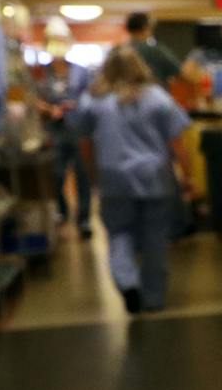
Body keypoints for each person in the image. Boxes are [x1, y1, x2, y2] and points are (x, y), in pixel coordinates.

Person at [77, 45, 192, 314]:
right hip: (154, 177)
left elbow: (85, 145)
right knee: (155, 239)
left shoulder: (93, 101)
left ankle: (128, 283)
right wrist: (187, 177)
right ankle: (153, 298)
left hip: (113, 177)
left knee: (118, 234)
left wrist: (94, 176)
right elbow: (177, 143)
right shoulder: (157, 98)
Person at [33, 48, 93, 238]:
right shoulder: (41, 72)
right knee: (56, 174)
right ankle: (62, 211)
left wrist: (75, 105)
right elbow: (33, 98)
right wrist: (50, 109)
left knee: (82, 176)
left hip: (79, 130)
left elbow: (91, 95)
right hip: (54, 130)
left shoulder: (81, 71)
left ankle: (83, 220)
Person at [124, 11, 181, 87]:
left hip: (124, 96)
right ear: (146, 27)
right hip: (153, 95)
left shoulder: (118, 51)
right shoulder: (155, 51)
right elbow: (178, 71)